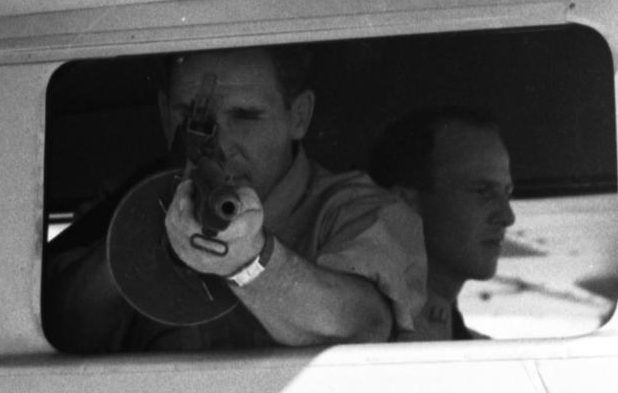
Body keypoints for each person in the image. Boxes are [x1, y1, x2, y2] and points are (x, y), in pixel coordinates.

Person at [44, 45, 427, 353]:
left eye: (245, 116)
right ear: (165, 116)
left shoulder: (361, 212)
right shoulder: (129, 201)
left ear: (299, 116)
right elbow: (59, 328)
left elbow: (364, 324)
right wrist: (137, 233)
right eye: (192, 118)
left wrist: (251, 263)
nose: (220, 144)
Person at [370, 107, 515, 340]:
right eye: (482, 191)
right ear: (405, 205)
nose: (508, 216)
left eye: (507, 193)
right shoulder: (362, 343)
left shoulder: (475, 348)